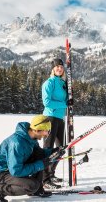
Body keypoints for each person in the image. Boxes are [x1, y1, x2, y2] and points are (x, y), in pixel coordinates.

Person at [0, 115, 65, 202]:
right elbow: (16, 171)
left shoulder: (31, 137)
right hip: (1, 173)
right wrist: (40, 165)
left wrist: (54, 151)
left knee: (39, 158)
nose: (47, 134)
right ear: (37, 130)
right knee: (32, 186)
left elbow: (39, 153)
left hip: (13, 168)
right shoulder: (17, 143)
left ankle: (36, 190)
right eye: (46, 131)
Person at [41, 58, 69, 189]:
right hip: (50, 118)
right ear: (53, 69)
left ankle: (51, 174)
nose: (59, 68)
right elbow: (47, 102)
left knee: (60, 149)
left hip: (60, 118)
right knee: (48, 149)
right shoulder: (49, 83)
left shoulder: (62, 83)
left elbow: (65, 99)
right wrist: (64, 104)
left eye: (61, 67)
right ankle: (44, 179)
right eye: (57, 67)